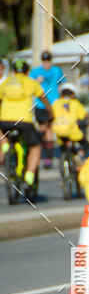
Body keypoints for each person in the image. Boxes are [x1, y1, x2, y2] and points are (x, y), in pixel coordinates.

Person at [0, 58, 53, 200]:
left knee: (2, 131)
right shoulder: (31, 82)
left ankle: (6, 148)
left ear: (14, 70)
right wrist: (51, 112)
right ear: (27, 71)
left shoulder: (6, 82)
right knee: (36, 147)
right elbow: (43, 98)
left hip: (5, 121)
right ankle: (29, 177)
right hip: (24, 122)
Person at [30, 50, 65, 167]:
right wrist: (36, 81)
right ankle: (41, 153)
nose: (47, 63)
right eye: (44, 61)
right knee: (42, 130)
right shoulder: (35, 72)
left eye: (48, 61)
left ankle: (48, 158)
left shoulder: (57, 71)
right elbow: (28, 84)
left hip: (54, 104)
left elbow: (62, 84)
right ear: (42, 61)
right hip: (40, 105)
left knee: (51, 130)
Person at [52, 83, 89, 158]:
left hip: (58, 130)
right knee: (86, 145)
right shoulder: (75, 103)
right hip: (72, 130)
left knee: (63, 144)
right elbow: (84, 115)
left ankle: (64, 156)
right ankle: (79, 155)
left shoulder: (56, 103)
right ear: (72, 94)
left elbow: (51, 115)